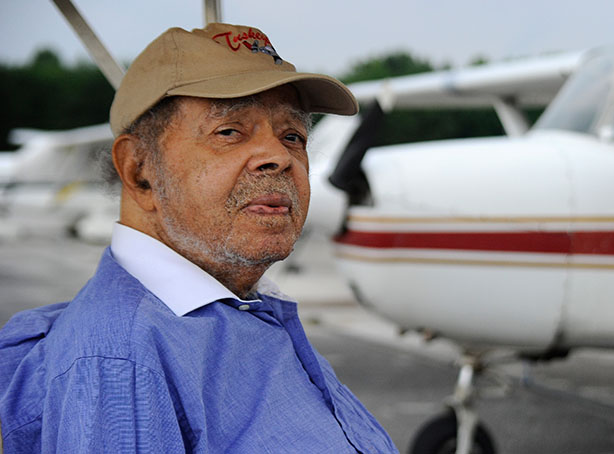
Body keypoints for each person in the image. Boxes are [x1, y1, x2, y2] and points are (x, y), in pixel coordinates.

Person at [0, 23, 398, 453]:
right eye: (229, 131)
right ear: (138, 170)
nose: (279, 157)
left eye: (293, 136)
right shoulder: (121, 364)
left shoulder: (235, 304)